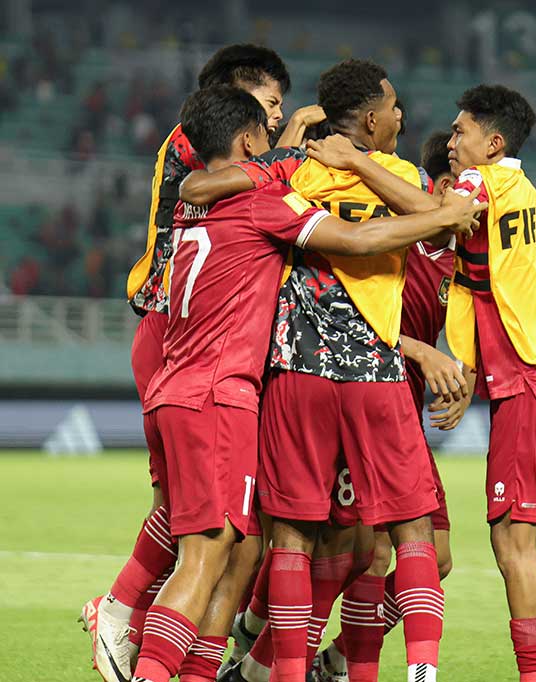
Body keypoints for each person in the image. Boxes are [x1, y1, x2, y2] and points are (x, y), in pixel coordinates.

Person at [130, 84, 482, 682]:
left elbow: (194, 186)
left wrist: (289, 152)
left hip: (267, 378)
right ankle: (385, 670)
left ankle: (269, 665)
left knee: (278, 542)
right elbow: (421, 235)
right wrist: (441, 211)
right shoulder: (363, 184)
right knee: (384, 542)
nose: (402, 114)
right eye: (395, 106)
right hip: (357, 376)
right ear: (372, 119)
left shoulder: (278, 181)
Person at [89, 43, 306, 682]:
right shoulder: (194, 150)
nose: (275, 119)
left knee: (233, 529)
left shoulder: (225, 161)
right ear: (234, 103)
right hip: (182, 337)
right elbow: (198, 197)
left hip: (205, 346)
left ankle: (193, 654)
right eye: (268, 106)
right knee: (201, 527)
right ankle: (124, 608)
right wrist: (290, 151)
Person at [312, 130, 474, 682]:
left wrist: (466, 371)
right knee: (366, 553)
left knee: (437, 556)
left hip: (402, 418)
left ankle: (330, 656)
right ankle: (267, 648)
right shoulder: (403, 241)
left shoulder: (459, 261)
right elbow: (349, 315)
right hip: (358, 403)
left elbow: (478, 322)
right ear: (445, 189)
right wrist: (417, 350)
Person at [447, 85, 536, 682]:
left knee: (513, 547)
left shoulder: (483, 184)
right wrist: (467, 368)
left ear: (492, 144)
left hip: (529, 382)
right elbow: (477, 286)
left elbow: (449, 217)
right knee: (519, 546)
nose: (452, 142)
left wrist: (354, 161)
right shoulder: (520, 187)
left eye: (461, 133)